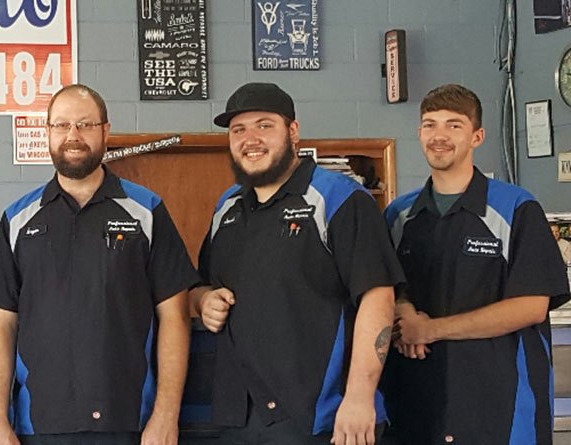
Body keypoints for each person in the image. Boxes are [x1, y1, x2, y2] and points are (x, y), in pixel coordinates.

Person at [0, 84, 197, 445]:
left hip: (129, 422)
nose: (73, 135)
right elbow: (1, 325)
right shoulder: (17, 220)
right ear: (48, 133)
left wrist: (165, 415)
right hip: (39, 426)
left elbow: (174, 317)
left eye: (85, 124)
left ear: (105, 131)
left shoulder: (147, 211)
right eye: (62, 125)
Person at [190, 82, 403, 444]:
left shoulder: (339, 198)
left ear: (293, 131)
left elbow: (378, 297)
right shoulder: (227, 206)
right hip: (237, 416)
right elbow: (199, 286)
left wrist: (359, 397)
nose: (250, 139)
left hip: (321, 417)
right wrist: (203, 300)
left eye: (264, 125)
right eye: (238, 130)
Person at [383, 84, 571, 444]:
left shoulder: (516, 208)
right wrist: (403, 312)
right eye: (430, 125)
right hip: (416, 400)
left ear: (477, 137)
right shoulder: (399, 215)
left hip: (501, 404)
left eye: (454, 125)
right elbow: (386, 286)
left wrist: (431, 329)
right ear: (419, 133)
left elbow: (532, 306)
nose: (439, 136)